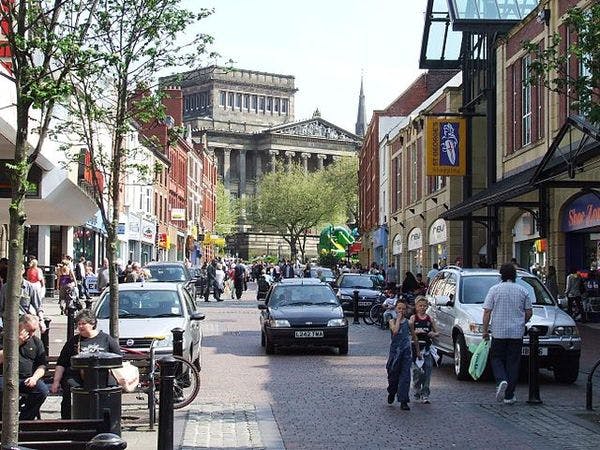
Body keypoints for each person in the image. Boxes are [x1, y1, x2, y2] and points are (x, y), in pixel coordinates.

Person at [51, 309, 120, 419]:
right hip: (76, 375)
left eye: (83, 323)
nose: (80, 327)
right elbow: (61, 363)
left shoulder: (106, 339)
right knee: (70, 388)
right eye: (79, 324)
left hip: (101, 375)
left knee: (110, 388)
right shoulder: (73, 341)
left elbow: (118, 358)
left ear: (92, 323)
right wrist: (56, 382)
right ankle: (69, 422)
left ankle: (106, 419)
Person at [482, 263, 532, 404]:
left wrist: (485, 330)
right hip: (517, 332)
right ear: (515, 275)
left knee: (496, 358)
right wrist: (522, 321)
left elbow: (487, 311)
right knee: (513, 362)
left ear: (501, 275)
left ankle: (501, 379)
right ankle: (509, 395)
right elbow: (529, 312)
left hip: (499, 331)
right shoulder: (523, 290)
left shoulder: (494, 290)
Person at [0, 314, 48, 420]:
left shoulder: (36, 342)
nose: (31, 334)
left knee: (42, 390)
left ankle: (25, 421)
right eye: (28, 330)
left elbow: (42, 365)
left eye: (33, 331)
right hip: (5, 376)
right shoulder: (4, 338)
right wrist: (17, 343)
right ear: (19, 326)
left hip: (26, 379)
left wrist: (34, 378)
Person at [385, 301, 419, 410]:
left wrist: (417, 351)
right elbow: (395, 331)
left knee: (405, 377)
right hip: (395, 352)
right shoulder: (391, 321)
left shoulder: (409, 323)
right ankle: (392, 392)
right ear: (395, 309)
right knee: (393, 375)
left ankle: (403, 400)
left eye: (403, 309)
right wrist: (398, 320)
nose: (401, 311)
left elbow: (414, 337)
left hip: (405, 352)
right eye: (399, 308)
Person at [409, 296, 438, 404]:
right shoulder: (413, 318)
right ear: (416, 307)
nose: (422, 308)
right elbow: (410, 331)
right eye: (420, 306)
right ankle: (417, 388)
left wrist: (433, 334)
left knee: (427, 372)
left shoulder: (430, 319)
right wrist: (415, 332)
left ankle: (425, 394)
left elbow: (437, 333)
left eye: (424, 306)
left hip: (427, 349)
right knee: (417, 371)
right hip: (416, 349)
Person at [0, 268, 46, 333]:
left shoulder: (30, 287)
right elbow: (1, 308)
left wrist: (41, 321)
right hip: (9, 324)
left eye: (20, 269)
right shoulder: (5, 288)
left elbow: (38, 307)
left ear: (23, 271)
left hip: (25, 324)